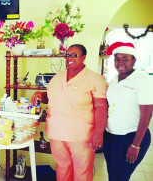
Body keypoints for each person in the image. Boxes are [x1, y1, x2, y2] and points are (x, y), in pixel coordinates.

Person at [31, 44, 108, 181]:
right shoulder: (57, 77)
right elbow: (51, 97)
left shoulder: (95, 79)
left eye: (74, 55)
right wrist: (40, 95)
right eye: (68, 55)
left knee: (82, 171)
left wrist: (98, 133)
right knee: (62, 167)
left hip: (81, 135)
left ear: (83, 57)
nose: (70, 58)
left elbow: (101, 107)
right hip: (57, 133)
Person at [103, 42, 153, 181]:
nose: (120, 62)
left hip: (130, 137)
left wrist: (135, 145)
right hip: (111, 136)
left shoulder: (143, 80)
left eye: (125, 58)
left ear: (134, 60)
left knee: (119, 177)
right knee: (113, 175)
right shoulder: (114, 80)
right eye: (117, 59)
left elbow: (147, 115)